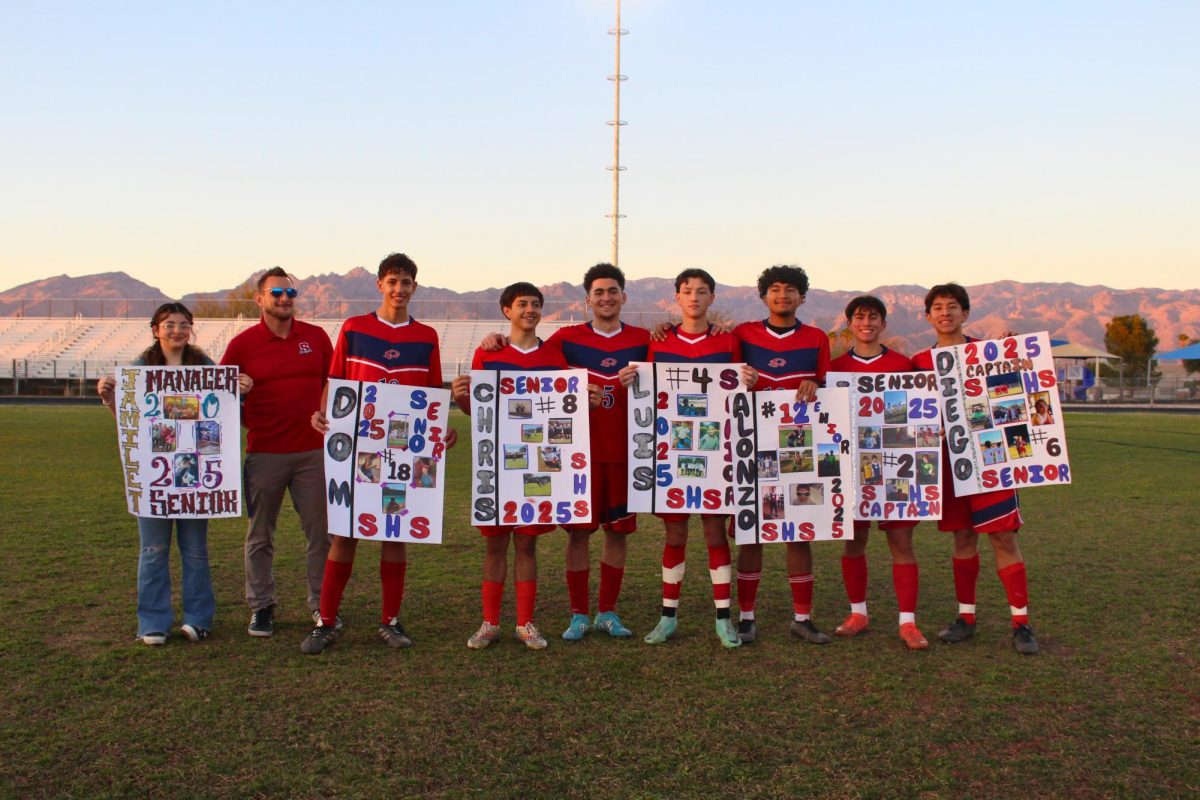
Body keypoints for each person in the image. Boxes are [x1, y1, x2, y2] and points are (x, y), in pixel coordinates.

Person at [477, 264, 650, 641]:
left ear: (624, 297)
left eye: (613, 291)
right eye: (598, 292)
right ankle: (577, 614)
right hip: (578, 456)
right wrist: (494, 338)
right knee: (578, 535)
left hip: (626, 454)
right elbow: (523, 349)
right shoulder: (563, 342)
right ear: (587, 299)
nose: (606, 298)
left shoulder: (644, 339)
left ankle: (607, 611)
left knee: (618, 533)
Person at [302, 252, 457, 654]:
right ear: (379, 285)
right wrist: (322, 414)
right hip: (360, 447)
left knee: (395, 532)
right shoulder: (354, 328)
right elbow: (336, 382)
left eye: (406, 282)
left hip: (405, 450)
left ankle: (390, 620)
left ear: (414, 287)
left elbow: (434, 393)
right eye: (392, 281)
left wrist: (440, 432)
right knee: (346, 533)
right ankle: (327, 620)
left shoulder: (426, 336)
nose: (399, 289)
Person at [98, 302, 254, 645]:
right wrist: (111, 400)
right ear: (156, 329)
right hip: (157, 478)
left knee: (195, 550)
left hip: (195, 473)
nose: (177, 331)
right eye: (169, 324)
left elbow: (224, 416)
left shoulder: (204, 367)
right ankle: (152, 622)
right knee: (153, 549)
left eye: (184, 324)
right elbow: (131, 426)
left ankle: (198, 618)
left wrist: (239, 390)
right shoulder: (140, 370)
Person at [618, 268, 757, 649]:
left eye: (701, 291)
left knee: (715, 533)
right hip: (673, 453)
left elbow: (738, 393)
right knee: (675, 534)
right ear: (676, 299)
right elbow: (650, 388)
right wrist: (633, 381)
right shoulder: (659, 342)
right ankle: (667, 617)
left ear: (712, 297)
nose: (694, 297)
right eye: (686, 291)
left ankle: (723, 620)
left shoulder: (728, 342)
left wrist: (749, 379)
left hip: (714, 452)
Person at [454, 282, 591, 650]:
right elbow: (474, 411)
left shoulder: (554, 357)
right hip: (497, 466)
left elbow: (564, 412)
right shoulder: (489, 354)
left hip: (537, 466)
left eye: (535, 304)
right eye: (521, 304)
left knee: (527, 545)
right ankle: (490, 622)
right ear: (506, 311)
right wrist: (461, 398)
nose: (529, 310)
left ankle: (525, 623)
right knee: (495, 545)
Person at [911, 283, 1039, 655]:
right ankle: (966, 617)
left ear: (965, 314)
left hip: (990, 460)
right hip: (948, 465)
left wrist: (1015, 357)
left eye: (953, 306)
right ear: (928, 316)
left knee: (1003, 537)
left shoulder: (988, 353)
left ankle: (1021, 622)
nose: (945, 313)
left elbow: (1020, 391)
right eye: (937, 307)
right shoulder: (918, 362)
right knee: (963, 537)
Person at [220, 267, 334, 638]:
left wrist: (325, 412)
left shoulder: (316, 337)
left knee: (321, 534)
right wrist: (241, 394)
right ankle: (262, 606)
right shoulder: (242, 344)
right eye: (277, 293)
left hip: (314, 453)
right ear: (259, 299)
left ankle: (322, 605)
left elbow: (332, 383)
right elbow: (218, 399)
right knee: (259, 534)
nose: (285, 299)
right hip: (264, 452)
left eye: (290, 292)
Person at [730, 265, 832, 645]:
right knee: (750, 534)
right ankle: (746, 617)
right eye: (775, 289)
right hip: (751, 447)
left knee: (798, 534)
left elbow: (828, 388)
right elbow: (726, 380)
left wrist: (816, 384)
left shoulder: (817, 338)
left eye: (791, 290)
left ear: (801, 297)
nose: (783, 296)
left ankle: (802, 618)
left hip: (798, 452)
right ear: (764, 295)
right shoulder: (742, 335)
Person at [828, 295, 928, 650]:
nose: (866, 322)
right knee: (853, 541)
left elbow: (925, 411)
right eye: (859, 316)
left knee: (901, 542)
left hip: (896, 467)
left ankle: (908, 622)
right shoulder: (834, 369)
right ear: (850, 324)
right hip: (851, 468)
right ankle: (858, 613)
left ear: (883, 323)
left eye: (873, 316)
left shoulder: (904, 364)